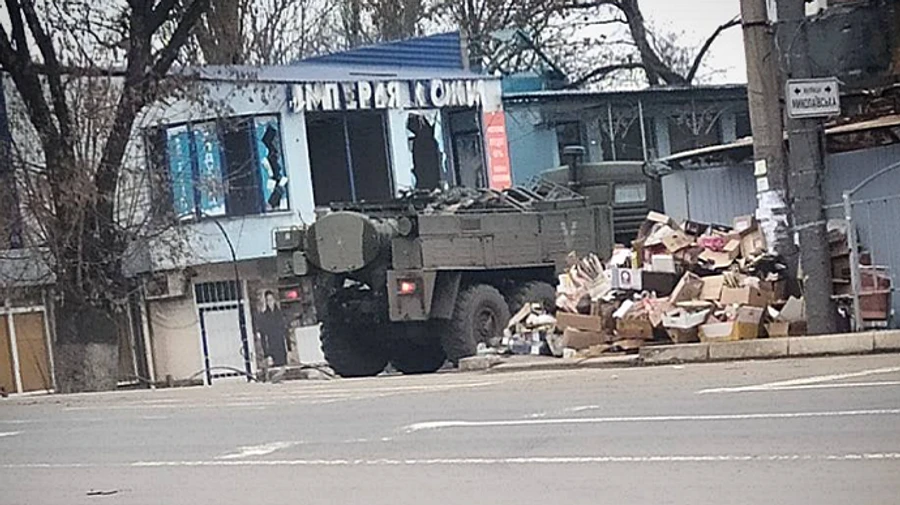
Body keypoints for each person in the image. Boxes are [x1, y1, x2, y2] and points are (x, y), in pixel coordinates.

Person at [256, 291, 289, 367]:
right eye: (268, 300)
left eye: (271, 299)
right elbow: (263, 335)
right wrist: (266, 353)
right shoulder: (264, 316)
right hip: (271, 346)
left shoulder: (280, 314)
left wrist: (288, 347)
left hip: (281, 346)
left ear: (274, 300)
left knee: (283, 365)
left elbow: (285, 330)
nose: (270, 302)